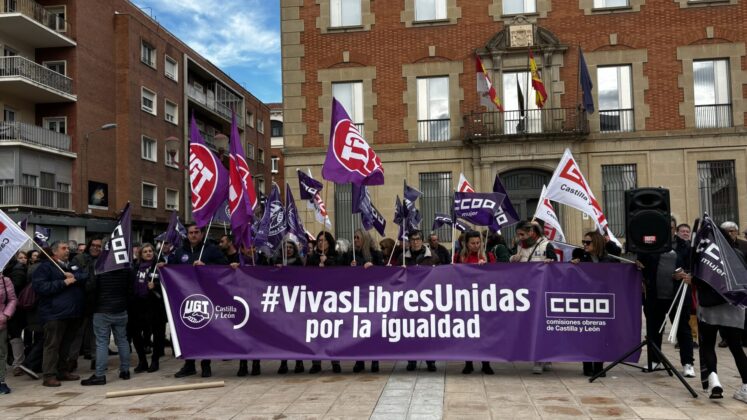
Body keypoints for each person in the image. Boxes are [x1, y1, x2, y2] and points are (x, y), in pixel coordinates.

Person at [684, 226, 747, 401]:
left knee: (708, 345)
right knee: (736, 347)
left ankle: (715, 382)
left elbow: (702, 279)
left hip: (710, 307)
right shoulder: (737, 254)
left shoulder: (704, 255)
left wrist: (691, 280)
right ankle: (746, 386)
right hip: (733, 306)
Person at [637, 225, 695, 378]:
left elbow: (694, 267)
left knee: (683, 330)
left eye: (669, 227)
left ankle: (688, 363)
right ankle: (655, 360)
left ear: (674, 230)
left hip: (677, 296)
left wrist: (685, 274)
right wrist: (639, 265)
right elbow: (641, 263)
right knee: (654, 330)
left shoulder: (684, 245)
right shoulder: (651, 246)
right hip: (655, 296)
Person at [171, 225, 227, 379]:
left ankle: (206, 365)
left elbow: (224, 267)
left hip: (206, 298)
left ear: (202, 234)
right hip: (185, 299)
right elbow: (172, 267)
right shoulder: (180, 251)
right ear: (187, 235)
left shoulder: (211, 250)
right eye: (191, 233)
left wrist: (207, 267)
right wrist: (163, 267)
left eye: (196, 232)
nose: (193, 235)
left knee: (205, 331)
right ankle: (189, 365)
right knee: (187, 331)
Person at [32, 241, 89, 387]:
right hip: (54, 314)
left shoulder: (71, 265)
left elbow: (85, 275)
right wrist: (63, 283)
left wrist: (74, 277)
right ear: (54, 251)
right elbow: (41, 287)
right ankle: (49, 375)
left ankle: (62, 371)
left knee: (66, 345)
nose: (67, 251)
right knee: (52, 345)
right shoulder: (45, 267)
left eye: (68, 248)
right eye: (64, 248)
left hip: (72, 312)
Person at [80, 243, 132, 386]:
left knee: (102, 342)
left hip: (102, 309)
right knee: (122, 340)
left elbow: (90, 287)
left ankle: (100, 374)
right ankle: (125, 370)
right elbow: (129, 289)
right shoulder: (125, 268)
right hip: (120, 310)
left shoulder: (99, 268)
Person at [510, 220, 557, 374]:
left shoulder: (546, 245)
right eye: (518, 235)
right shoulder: (520, 246)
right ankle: (539, 356)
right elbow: (515, 266)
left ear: (531, 232)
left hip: (543, 292)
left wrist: (550, 262)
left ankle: (542, 358)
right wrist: (513, 260)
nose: (520, 238)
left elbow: (556, 266)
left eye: (522, 234)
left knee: (542, 326)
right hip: (526, 292)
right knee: (531, 326)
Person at [571, 231, 616, 377]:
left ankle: (599, 366)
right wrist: (574, 264)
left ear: (597, 243)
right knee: (587, 331)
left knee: (601, 333)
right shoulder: (581, 257)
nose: (584, 244)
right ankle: (587, 365)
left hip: (603, 301)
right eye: (583, 242)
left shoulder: (609, 259)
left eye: (588, 242)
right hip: (586, 301)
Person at [341, 229, 383, 373]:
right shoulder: (349, 255)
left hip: (372, 299)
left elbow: (385, 274)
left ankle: (375, 360)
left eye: (358, 237)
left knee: (372, 331)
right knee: (358, 331)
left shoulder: (376, 255)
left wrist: (374, 268)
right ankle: (359, 360)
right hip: (355, 299)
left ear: (364, 239)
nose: (355, 240)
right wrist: (349, 268)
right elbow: (337, 271)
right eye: (353, 237)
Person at [457, 230, 495, 375]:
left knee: (485, 333)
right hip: (465, 299)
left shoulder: (488, 256)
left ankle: (486, 363)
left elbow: (497, 275)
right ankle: (469, 363)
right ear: (466, 243)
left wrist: (486, 268)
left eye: (478, 243)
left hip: (484, 300)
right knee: (467, 332)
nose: (476, 245)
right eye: (472, 243)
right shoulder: (459, 256)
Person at [402, 230, 439, 372]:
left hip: (427, 300)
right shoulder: (403, 257)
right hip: (409, 300)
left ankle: (430, 360)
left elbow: (443, 274)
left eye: (417, 239)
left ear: (422, 240)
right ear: (409, 241)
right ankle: (412, 359)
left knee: (428, 332)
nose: (415, 242)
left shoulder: (433, 257)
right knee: (411, 331)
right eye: (412, 239)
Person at [306, 231, 342, 374]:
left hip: (333, 300)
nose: (321, 243)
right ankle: (316, 362)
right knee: (317, 332)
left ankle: (335, 361)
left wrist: (327, 262)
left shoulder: (337, 256)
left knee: (332, 331)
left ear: (329, 242)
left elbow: (341, 272)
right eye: (319, 240)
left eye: (324, 240)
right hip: (316, 300)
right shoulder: (312, 258)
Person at [128, 243, 165, 373]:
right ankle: (142, 361)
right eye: (145, 252)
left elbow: (168, 284)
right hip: (138, 306)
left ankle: (155, 361)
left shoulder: (160, 266)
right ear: (140, 254)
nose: (148, 253)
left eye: (150, 251)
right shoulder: (135, 267)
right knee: (136, 334)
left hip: (155, 305)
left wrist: (155, 285)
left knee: (157, 334)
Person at [68, 236, 103, 371]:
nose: (95, 248)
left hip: (98, 301)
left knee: (97, 333)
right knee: (77, 333)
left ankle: (96, 359)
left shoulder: (104, 261)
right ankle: (72, 360)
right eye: (93, 245)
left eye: (99, 246)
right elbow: (75, 276)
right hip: (81, 301)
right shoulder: (79, 259)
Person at [7, 251, 27, 377]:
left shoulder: (17, 271)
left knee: (15, 335)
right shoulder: (10, 269)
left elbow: (14, 292)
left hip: (14, 309)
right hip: (7, 309)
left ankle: (18, 364)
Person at [0, 272, 18, 394]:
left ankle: (1, 381)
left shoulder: (5, 280)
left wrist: (5, 315)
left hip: (1, 322)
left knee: (1, 353)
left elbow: (12, 299)